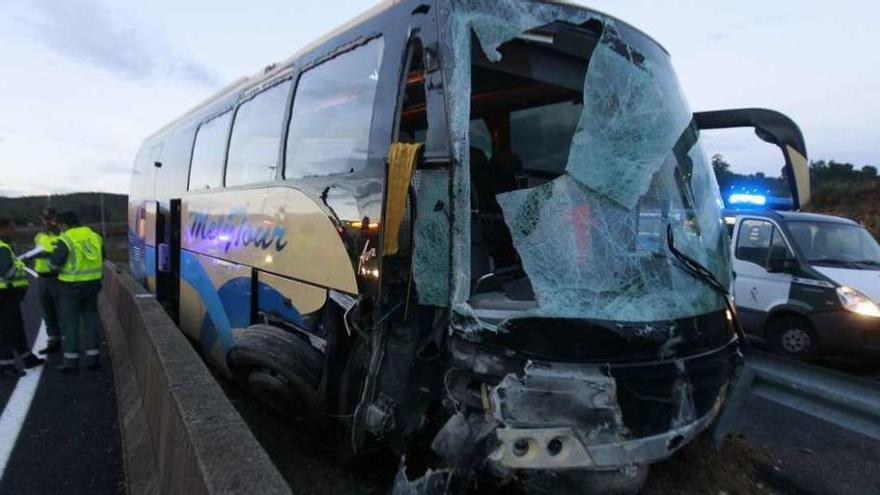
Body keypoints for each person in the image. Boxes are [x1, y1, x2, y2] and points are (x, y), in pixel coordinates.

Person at [50, 211, 104, 372]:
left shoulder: (66, 238)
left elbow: (54, 265)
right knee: (91, 319)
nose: (60, 229)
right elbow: (104, 256)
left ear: (64, 224)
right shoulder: (94, 236)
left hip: (70, 287)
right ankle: (93, 358)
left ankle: (71, 362)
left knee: (70, 323)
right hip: (93, 285)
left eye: (60, 226)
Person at [0, 217, 45, 377]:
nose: (14, 231)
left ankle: (27, 357)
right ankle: (5, 366)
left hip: (8, 294)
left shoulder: (6, 247)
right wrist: (21, 262)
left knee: (16, 326)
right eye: (11, 228)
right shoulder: (2, 248)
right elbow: (6, 273)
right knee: (7, 329)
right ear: (3, 229)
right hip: (5, 294)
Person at [31, 208, 63, 355]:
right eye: (45, 219)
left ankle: (67, 343)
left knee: (61, 312)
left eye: (51, 218)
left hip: (58, 278)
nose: (48, 222)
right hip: (42, 278)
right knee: (47, 312)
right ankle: (53, 342)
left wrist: (49, 254)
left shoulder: (63, 236)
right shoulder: (39, 236)